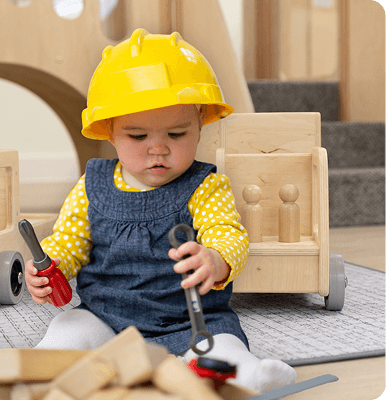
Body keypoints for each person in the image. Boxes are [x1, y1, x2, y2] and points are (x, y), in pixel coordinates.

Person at [24, 29, 297, 392]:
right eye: (138, 136)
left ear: (200, 125)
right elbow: (68, 242)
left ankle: (250, 377)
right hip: (105, 317)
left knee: (223, 347)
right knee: (67, 330)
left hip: (190, 320)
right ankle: (41, 369)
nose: (158, 149)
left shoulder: (206, 186)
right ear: (109, 131)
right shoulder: (91, 186)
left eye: (176, 134)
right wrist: (51, 266)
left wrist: (215, 259)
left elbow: (228, 235)